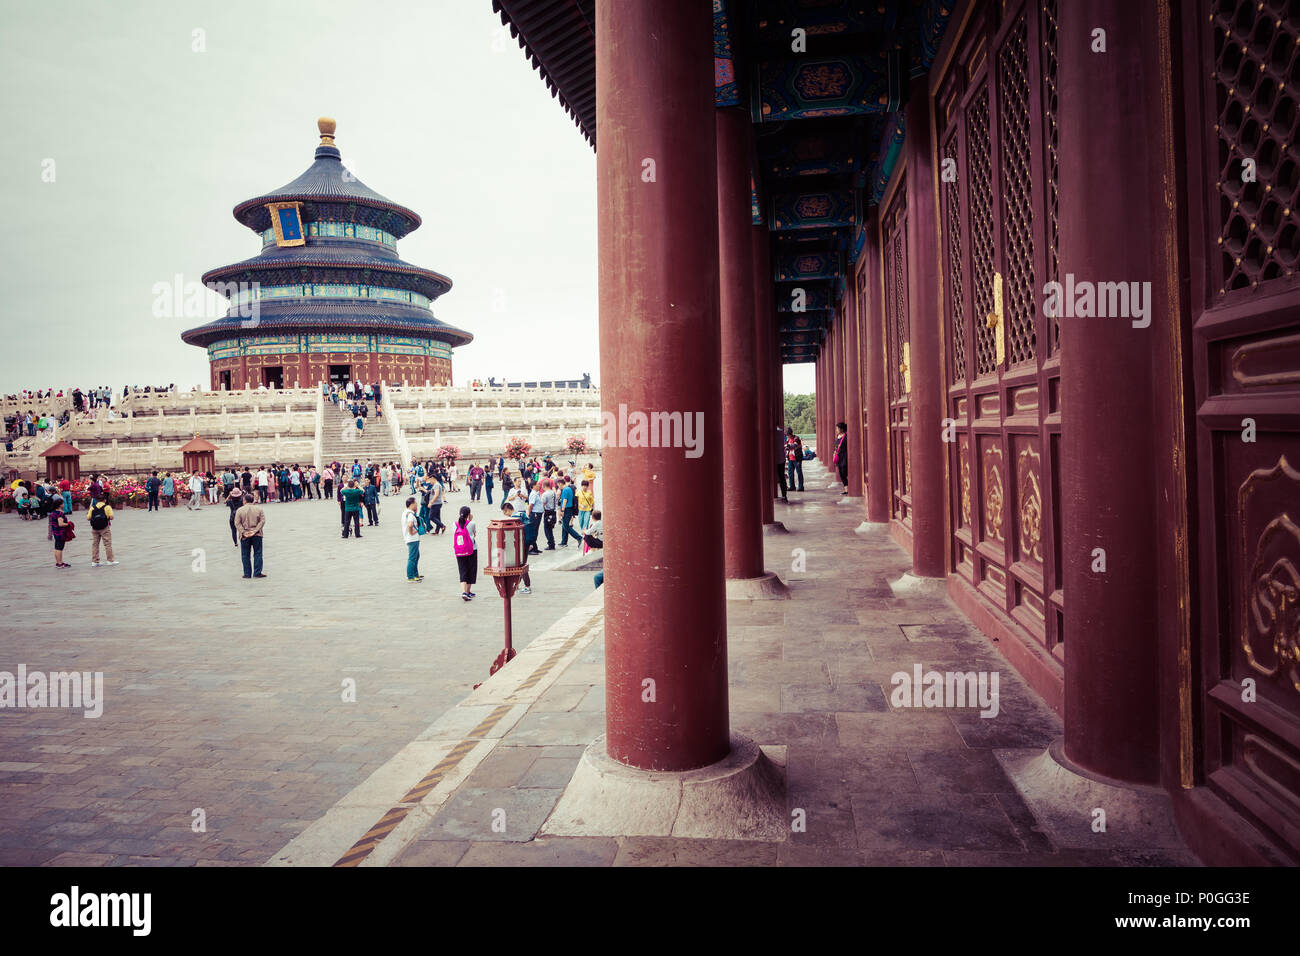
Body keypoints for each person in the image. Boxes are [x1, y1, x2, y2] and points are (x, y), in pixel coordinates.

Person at [500, 501, 532, 593]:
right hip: (527, 542)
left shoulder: (514, 518)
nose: (505, 515)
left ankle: (527, 586)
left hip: (520, 545)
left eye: (505, 512)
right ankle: (517, 584)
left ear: (508, 510)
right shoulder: (521, 514)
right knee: (521, 564)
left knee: (521, 565)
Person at [235, 493, 267, 578]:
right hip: (257, 534)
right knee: (258, 553)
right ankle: (257, 572)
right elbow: (262, 521)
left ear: (244, 501)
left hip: (244, 535)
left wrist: (243, 532)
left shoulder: (240, 510)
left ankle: (247, 573)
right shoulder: (259, 509)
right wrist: (255, 530)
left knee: (245, 555)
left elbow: (237, 523)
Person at [452, 505, 477, 601]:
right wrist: (470, 519)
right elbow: (474, 534)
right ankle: (467, 592)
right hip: (471, 550)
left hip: (459, 551)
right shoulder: (471, 524)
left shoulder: (454, 524)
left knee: (462, 570)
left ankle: (464, 591)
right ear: (469, 514)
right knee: (471, 570)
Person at [88, 497, 118, 566]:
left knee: (95, 544)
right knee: (107, 544)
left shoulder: (93, 508)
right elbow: (112, 517)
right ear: (105, 500)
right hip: (104, 528)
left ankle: (95, 561)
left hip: (95, 528)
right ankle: (110, 560)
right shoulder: (107, 507)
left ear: (97, 500)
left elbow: (88, 517)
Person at [403, 496, 423, 582]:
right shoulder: (410, 514)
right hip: (412, 539)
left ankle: (415, 573)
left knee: (416, 556)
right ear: (411, 504)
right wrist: (412, 532)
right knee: (412, 557)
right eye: (415, 503)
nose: (417, 505)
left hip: (411, 538)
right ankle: (410, 576)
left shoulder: (406, 512)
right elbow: (410, 525)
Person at [558, 477, 578, 547]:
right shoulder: (569, 488)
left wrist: (562, 510)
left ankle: (578, 537)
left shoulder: (565, 490)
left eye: (558, 485)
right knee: (564, 526)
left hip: (566, 509)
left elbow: (564, 500)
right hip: (569, 509)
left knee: (566, 526)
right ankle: (564, 542)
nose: (558, 487)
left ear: (560, 484)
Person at [541, 479, 558, 550]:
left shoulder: (545, 494)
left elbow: (543, 503)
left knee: (547, 529)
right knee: (550, 528)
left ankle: (551, 544)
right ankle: (552, 543)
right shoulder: (554, 493)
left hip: (548, 512)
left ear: (544, 486)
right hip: (553, 511)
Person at [833, 421, 849, 494]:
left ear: (841, 429)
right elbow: (836, 445)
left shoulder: (846, 436)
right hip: (839, 457)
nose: (836, 430)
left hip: (844, 456)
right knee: (841, 473)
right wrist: (835, 451)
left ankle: (847, 489)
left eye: (837, 428)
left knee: (844, 472)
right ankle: (846, 489)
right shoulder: (838, 436)